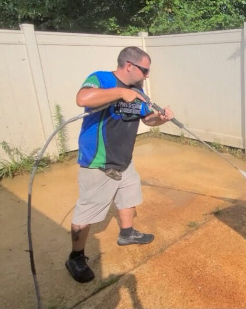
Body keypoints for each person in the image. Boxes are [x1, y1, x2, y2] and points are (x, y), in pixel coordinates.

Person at [65, 46, 174, 283]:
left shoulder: (139, 90)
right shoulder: (102, 78)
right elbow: (81, 98)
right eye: (145, 70)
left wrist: (161, 119)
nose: (147, 75)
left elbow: (147, 119)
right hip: (99, 161)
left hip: (124, 159)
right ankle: (76, 256)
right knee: (87, 210)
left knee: (129, 197)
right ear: (129, 66)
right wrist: (118, 93)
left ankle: (127, 234)